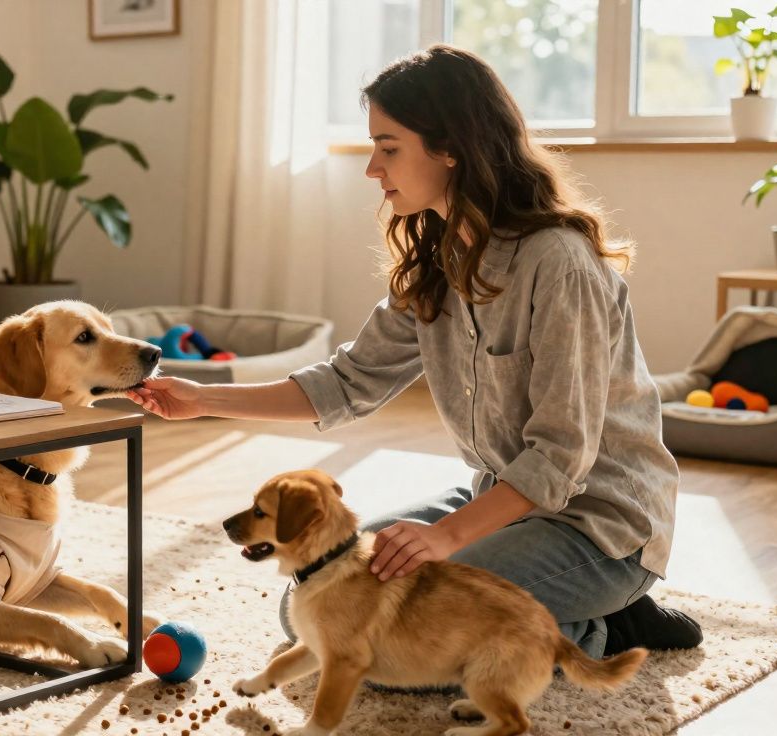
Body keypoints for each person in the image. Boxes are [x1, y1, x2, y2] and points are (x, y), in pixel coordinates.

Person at [127, 44, 702, 660]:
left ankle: (605, 625)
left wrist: (445, 537)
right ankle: (560, 614)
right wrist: (203, 400)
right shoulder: (441, 262)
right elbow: (346, 382)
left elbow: (562, 456)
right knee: (314, 606)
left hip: (598, 528)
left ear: (450, 146)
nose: (373, 169)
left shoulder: (559, 264)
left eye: (388, 147)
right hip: (501, 504)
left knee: (395, 639)